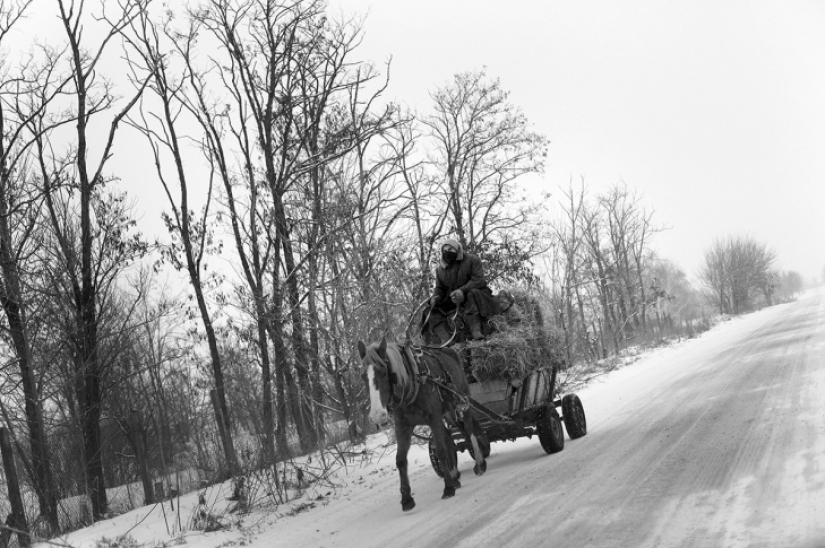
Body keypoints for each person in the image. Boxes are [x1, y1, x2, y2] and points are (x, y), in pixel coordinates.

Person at [428, 239, 499, 341]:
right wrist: (435, 297)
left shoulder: (472, 259)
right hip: (453, 299)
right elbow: (439, 288)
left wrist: (462, 290)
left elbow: (479, 280)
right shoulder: (440, 270)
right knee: (430, 309)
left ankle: (476, 330)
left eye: (450, 249)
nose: (447, 252)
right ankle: (445, 339)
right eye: (445, 250)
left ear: (457, 249)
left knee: (471, 294)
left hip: (476, 293)